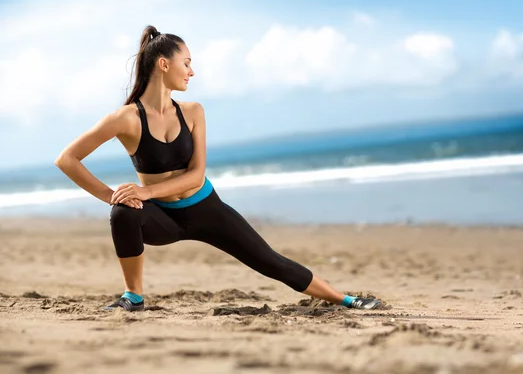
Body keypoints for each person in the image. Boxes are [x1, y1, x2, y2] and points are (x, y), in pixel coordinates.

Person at [55, 25, 382, 312]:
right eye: (187, 63)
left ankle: (345, 300)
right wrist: (113, 196)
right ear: (163, 64)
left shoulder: (193, 111)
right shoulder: (126, 118)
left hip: (204, 208)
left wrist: (145, 191)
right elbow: (67, 159)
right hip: (161, 220)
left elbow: (196, 175)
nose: (191, 72)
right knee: (122, 213)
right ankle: (134, 296)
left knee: (269, 260)